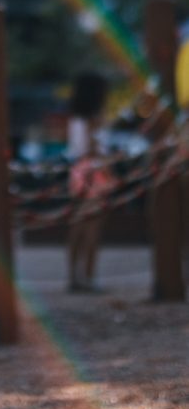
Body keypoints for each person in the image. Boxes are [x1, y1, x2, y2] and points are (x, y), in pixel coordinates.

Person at [66, 71, 112, 293]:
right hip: (93, 172)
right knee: (92, 226)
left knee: (78, 225)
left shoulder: (76, 119)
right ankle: (88, 276)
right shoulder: (92, 121)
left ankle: (75, 275)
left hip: (79, 171)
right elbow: (92, 149)